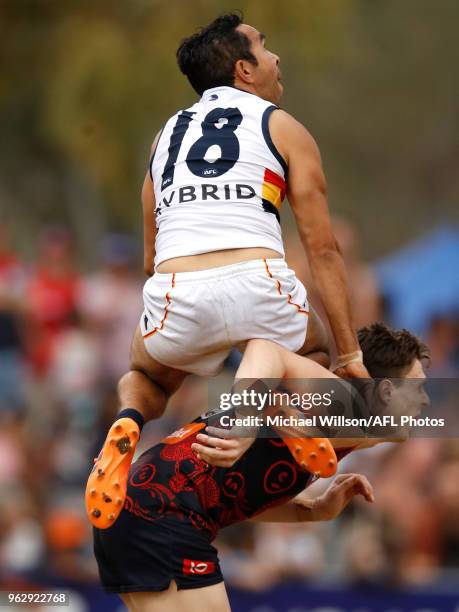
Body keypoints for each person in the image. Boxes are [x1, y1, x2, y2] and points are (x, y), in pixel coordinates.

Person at [86, 12, 369, 528]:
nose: (276, 57)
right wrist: (348, 356)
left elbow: (150, 260)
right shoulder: (282, 125)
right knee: (309, 351)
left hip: (176, 292)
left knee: (146, 374)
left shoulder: (163, 137)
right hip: (256, 280)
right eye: (265, 48)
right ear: (244, 70)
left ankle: (127, 422)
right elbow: (323, 248)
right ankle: (283, 418)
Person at [92, 323, 430, 611]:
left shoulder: (346, 434)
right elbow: (264, 348)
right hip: (164, 511)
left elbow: (236, 498)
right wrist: (247, 418)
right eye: (419, 388)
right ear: (386, 391)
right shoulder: (344, 401)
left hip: (133, 502)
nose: (427, 401)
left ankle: (128, 419)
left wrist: (312, 511)